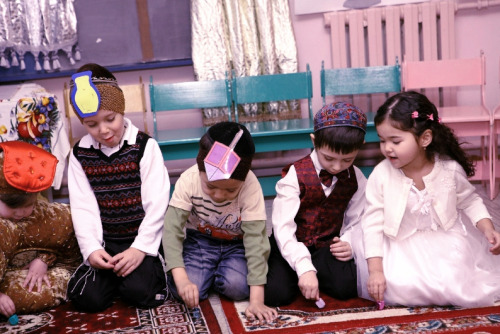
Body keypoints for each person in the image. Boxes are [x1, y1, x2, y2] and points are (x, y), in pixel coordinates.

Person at [358, 91, 500, 308]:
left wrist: (488, 228)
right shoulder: (381, 174)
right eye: (382, 140)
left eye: (395, 141)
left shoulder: (449, 170)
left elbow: (470, 201)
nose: (387, 148)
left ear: (425, 138)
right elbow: (373, 223)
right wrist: (376, 270)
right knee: (400, 287)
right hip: (399, 243)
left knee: (456, 284)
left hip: (445, 241)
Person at [66, 63, 170, 312]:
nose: (103, 130)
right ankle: (112, 276)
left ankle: (140, 272)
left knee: (141, 293)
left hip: (140, 240)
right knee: (86, 298)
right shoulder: (80, 154)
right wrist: (91, 249)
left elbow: (156, 203)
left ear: (121, 109)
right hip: (106, 243)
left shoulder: (145, 146)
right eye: (91, 124)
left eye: (110, 119)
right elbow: (83, 206)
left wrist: (139, 249)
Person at [162, 121, 277, 323]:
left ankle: (215, 272)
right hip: (200, 242)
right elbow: (171, 231)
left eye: (231, 190)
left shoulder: (250, 186)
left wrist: (257, 300)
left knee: (239, 288)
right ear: (201, 170)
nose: (219, 195)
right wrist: (181, 280)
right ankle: (205, 272)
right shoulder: (189, 180)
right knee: (187, 288)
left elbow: (256, 242)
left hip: (237, 245)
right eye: (210, 186)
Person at [265, 102, 368, 307]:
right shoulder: (295, 174)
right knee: (275, 294)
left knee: (347, 287)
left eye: (347, 159)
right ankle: (300, 271)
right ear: (314, 141)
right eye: (329, 158)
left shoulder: (357, 178)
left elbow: (357, 220)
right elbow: (283, 227)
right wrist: (303, 266)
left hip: (325, 246)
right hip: (292, 241)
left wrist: (349, 242)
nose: (337, 167)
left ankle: (312, 272)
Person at [0, 141, 81, 319]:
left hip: (37, 273)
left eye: (27, 206)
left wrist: (44, 259)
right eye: (11, 207)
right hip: (5, 278)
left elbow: (68, 253)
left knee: (48, 287)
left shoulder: (48, 216)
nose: (20, 213)